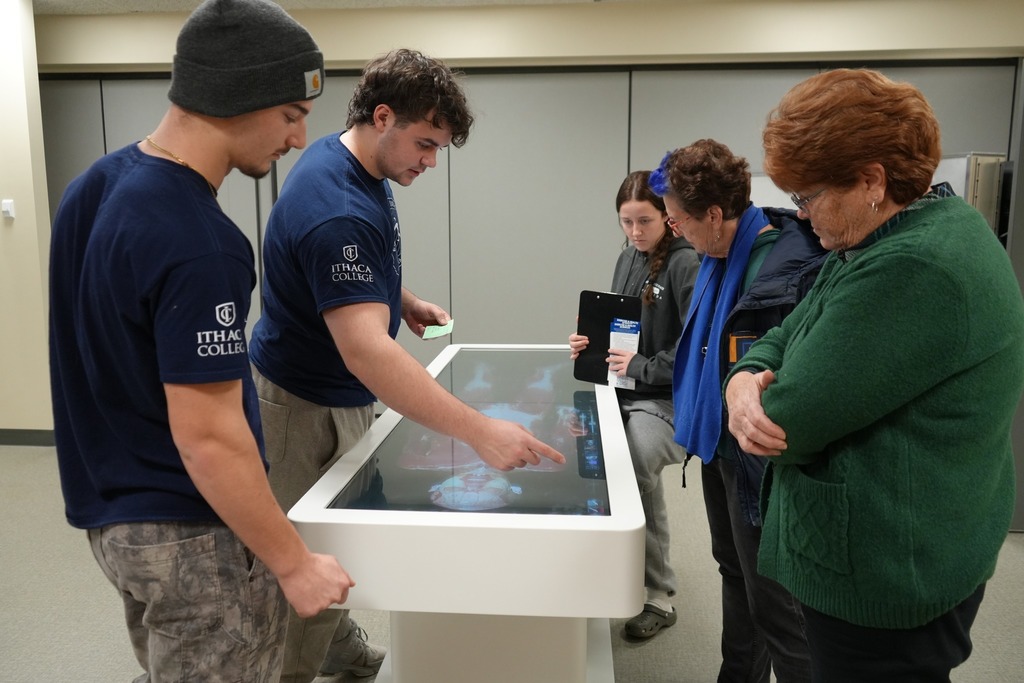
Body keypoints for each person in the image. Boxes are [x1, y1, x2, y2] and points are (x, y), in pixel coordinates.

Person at [46, 2, 349, 681]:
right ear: (236, 95)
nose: (299, 140)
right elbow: (208, 435)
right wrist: (293, 562)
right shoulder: (200, 241)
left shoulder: (93, 188)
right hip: (191, 536)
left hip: (117, 521)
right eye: (291, 115)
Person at [249, 48, 566, 682]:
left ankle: (340, 649)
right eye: (424, 144)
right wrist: (479, 431)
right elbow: (367, 350)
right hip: (299, 406)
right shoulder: (337, 206)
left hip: (337, 393)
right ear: (382, 116)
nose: (429, 161)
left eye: (439, 148)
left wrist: (402, 298)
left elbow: (358, 271)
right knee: (300, 563)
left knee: (345, 543)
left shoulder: (355, 165)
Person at [724, 68, 1024, 683]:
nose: (802, 217)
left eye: (807, 197)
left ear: (871, 180)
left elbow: (790, 419)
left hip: (887, 565)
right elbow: (785, 332)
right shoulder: (889, 235)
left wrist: (760, 392)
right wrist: (745, 373)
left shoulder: (911, 267)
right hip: (908, 545)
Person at [650, 139, 826, 682]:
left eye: (679, 222)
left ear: (716, 214)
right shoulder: (721, 255)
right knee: (734, 572)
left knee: (777, 604)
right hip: (718, 441)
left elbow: (791, 370)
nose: (676, 232)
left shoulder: (778, 266)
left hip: (759, 454)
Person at [568, 170, 698, 638]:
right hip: (625, 386)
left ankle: (658, 596)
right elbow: (620, 327)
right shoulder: (628, 257)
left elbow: (693, 352)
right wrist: (590, 344)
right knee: (584, 450)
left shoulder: (687, 265)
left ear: (668, 216)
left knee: (634, 459)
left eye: (645, 221)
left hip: (667, 398)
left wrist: (640, 366)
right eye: (626, 222)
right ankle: (610, 569)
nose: (636, 232)